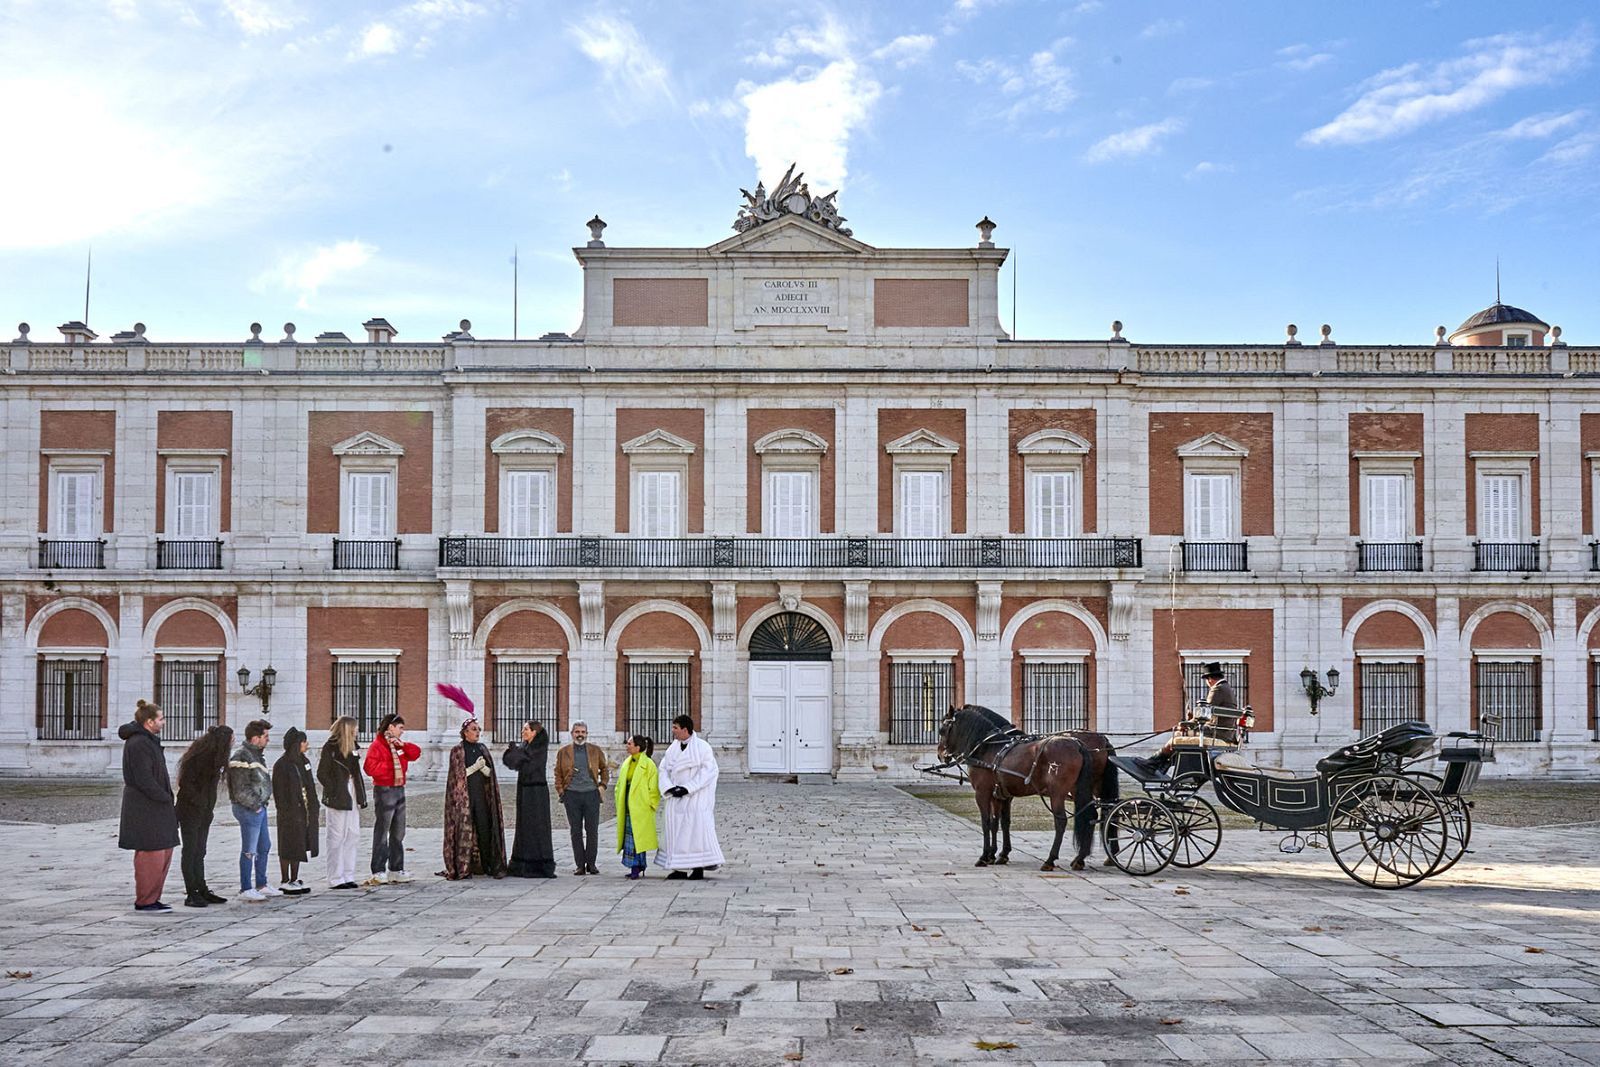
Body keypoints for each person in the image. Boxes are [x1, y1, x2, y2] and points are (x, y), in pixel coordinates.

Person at [118, 699, 179, 912]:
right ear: (149, 721)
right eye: (161, 719)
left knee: (163, 850)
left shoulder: (149, 741)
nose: (164, 722)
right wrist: (162, 796)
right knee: (150, 853)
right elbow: (143, 778)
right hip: (145, 807)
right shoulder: (138, 744)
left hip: (157, 805)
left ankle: (154, 896)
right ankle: (145, 899)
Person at [1133, 662, 1241, 777]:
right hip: (1226, 734)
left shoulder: (1217, 689)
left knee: (1176, 737)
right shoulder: (1227, 688)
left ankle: (1152, 763)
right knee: (1182, 735)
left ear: (1209, 679)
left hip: (1216, 734)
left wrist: (1186, 724)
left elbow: (1203, 714)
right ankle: (1163, 764)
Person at [656, 715, 725, 880]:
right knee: (676, 833)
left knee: (696, 833)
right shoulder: (672, 748)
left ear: (685, 729)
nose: (673, 731)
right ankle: (679, 868)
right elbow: (663, 769)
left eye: (675, 728)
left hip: (695, 798)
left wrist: (688, 788)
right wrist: (669, 788)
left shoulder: (702, 748)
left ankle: (698, 867)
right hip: (676, 797)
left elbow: (708, 772)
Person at [174, 724, 234, 908]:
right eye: (231, 739)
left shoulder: (216, 759)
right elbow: (186, 784)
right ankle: (191, 892)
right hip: (190, 810)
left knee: (200, 850)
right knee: (190, 850)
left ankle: (202, 888)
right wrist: (200, 802)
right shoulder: (199, 757)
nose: (233, 742)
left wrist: (208, 808)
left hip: (204, 811)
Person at [443, 717, 507, 879]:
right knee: (464, 830)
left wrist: (484, 768)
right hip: (463, 798)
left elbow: (489, 775)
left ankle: (487, 865)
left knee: (484, 828)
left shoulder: (482, 748)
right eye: (474, 729)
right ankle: (464, 866)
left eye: (478, 729)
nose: (477, 732)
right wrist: (474, 767)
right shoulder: (457, 750)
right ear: (465, 732)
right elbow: (457, 776)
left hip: (481, 796)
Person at [363, 713, 421, 884]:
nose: (402, 731)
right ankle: (378, 869)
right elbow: (369, 768)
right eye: (400, 728)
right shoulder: (377, 745)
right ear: (391, 727)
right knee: (382, 830)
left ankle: (396, 868)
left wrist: (402, 745)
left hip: (399, 788)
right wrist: (391, 765)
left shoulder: (398, 745)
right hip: (384, 789)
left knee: (398, 830)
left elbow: (415, 753)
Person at [227, 719, 279, 902]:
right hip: (249, 808)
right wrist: (255, 805)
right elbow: (241, 788)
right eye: (265, 736)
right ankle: (246, 887)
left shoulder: (256, 755)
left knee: (264, 846)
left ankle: (261, 883)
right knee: (250, 849)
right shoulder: (241, 756)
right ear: (256, 738)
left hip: (259, 807)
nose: (268, 740)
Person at [317, 715, 367, 889]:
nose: (358, 731)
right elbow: (321, 773)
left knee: (353, 833)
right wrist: (335, 788)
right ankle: (335, 877)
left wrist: (361, 796)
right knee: (336, 836)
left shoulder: (353, 748)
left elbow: (357, 773)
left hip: (352, 792)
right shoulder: (330, 748)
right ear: (348, 729)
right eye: (355, 728)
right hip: (338, 794)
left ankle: (348, 874)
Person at [554, 720, 609, 876]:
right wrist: (561, 791)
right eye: (577, 732)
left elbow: (604, 769)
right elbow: (557, 773)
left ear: (587, 734)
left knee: (592, 830)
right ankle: (580, 865)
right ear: (572, 734)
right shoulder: (563, 752)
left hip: (591, 794)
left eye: (583, 732)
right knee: (575, 831)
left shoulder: (595, 750)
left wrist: (602, 785)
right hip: (571, 794)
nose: (580, 735)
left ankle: (591, 864)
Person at [503, 720, 557, 878]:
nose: (523, 732)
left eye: (526, 729)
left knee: (537, 827)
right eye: (523, 729)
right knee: (524, 826)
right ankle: (522, 863)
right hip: (525, 790)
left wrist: (517, 754)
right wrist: (515, 754)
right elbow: (513, 762)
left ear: (534, 732)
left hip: (536, 792)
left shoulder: (539, 748)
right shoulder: (526, 747)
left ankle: (538, 866)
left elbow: (527, 766)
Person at [271, 727, 318, 895]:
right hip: (288, 811)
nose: (307, 745)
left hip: (302, 810)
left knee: (299, 844)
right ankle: (284, 879)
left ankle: (294, 878)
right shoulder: (282, 765)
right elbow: (279, 792)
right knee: (287, 844)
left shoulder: (304, 761)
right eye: (304, 742)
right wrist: (286, 809)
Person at [614, 735, 660, 881]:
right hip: (627, 804)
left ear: (637, 747)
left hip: (641, 806)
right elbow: (621, 782)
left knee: (637, 838)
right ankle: (636, 865)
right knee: (630, 837)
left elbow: (654, 786)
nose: (626, 746)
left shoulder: (648, 764)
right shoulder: (627, 762)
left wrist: (651, 804)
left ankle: (636, 866)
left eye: (629, 743)